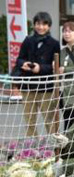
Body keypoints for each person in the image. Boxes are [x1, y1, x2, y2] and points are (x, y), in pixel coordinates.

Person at [13, 11, 61, 139]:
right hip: (28, 86)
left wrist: (40, 68)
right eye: (38, 24)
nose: (41, 27)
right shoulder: (28, 40)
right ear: (34, 25)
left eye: (44, 24)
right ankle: (32, 146)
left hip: (46, 87)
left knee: (49, 118)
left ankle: (54, 145)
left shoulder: (54, 43)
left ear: (49, 26)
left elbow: (56, 66)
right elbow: (19, 59)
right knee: (29, 119)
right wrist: (24, 63)